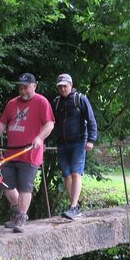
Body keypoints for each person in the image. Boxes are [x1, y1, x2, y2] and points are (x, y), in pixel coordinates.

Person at [0, 73, 55, 233]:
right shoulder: (11, 104)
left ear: (34, 86)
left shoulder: (41, 102)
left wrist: (39, 138)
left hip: (29, 152)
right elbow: (2, 124)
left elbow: (50, 124)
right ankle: (18, 213)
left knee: (25, 187)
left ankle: (21, 218)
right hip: (11, 152)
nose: (23, 90)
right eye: (21, 87)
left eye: (26, 87)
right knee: (5, 183)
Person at [52, 73, 98, 220]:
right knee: (67, 174)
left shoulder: (80, 99)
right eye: (60, 87)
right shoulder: (57, 102)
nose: (62, 89)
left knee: (76, 173)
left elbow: (91, 120)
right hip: (62, 143)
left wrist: (91, 140)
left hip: (79, 142)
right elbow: (51, 122)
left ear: (71, 85)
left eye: (65, 86)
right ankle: (75, 206)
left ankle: (73, 206)